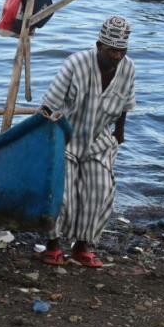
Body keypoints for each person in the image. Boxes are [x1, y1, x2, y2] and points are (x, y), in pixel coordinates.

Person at [40, 16, 136, 268]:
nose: (117, 56)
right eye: (112, 50)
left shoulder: (128, 68)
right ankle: (53, 246)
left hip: (98, 137)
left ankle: (82, 247)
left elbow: (125, 103)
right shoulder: (76, 63)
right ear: (99, 45)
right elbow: (49, 107)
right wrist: (46, 140)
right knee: (64, 195)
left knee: (101, 190)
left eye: (121, 50)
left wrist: (119, 132)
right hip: (67, 136)